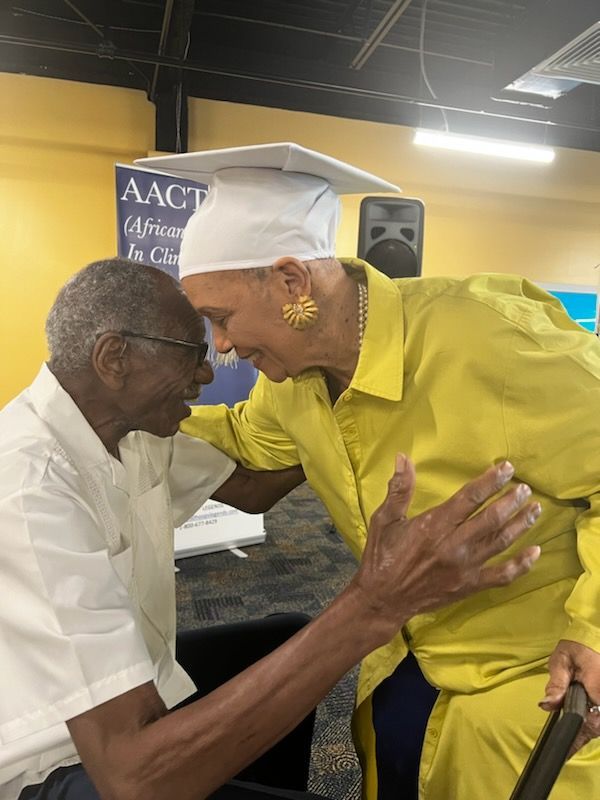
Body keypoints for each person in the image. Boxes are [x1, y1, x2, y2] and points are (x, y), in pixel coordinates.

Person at [137, 142, 600, 799]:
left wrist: (595, 630)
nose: (222, 346)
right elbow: (246, 441)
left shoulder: (488, 337)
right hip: (407, 663)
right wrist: (124, 410)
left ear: (294, 283)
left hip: (531, 693)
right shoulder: (294, 380)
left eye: (221, 317)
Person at [0, 257, 541, 800]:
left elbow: (253, 485)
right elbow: (132, 779)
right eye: (195, 352)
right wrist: (374, 605)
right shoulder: (29, 490)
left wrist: (361, 407)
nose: (209, 370)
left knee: (281, 636)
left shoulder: (129, 430)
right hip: (53, 760)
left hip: (134, 688)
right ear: (115, 357)